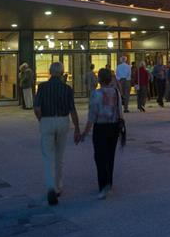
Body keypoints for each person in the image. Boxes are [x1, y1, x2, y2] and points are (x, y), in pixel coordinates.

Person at [33, 62, 81, 206]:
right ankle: (58, 186)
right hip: (63, 121)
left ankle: (50, 187)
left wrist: (42, 120)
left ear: (49, 72)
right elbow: (72, 110)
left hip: (47, 120)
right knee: (59, 156)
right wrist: (77, 128)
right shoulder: (67, 89)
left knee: (48, 156)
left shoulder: (42, 87)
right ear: (62, 73)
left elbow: (36, 108)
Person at [81, 68, 122, 199]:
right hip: (114, 127)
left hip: (101, 128)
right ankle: (109, 182)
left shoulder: (95, 94)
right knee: (110, 155)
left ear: (99, 79)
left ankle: (103, 185)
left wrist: (85, 132)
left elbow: (92, 116)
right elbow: (120, 111)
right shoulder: (116, 92)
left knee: (100, 156)